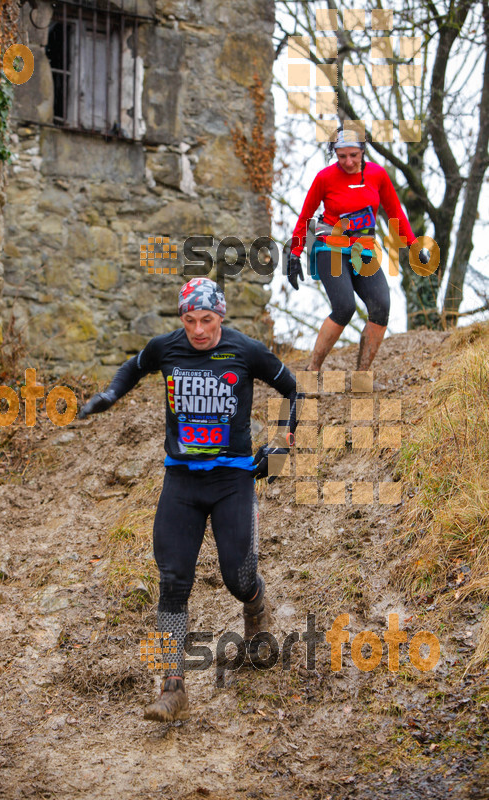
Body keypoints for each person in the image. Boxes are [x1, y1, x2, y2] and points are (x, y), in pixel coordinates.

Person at [79, 277, 301, 722]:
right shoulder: (167, 348)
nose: (198, 330)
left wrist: (281, 448)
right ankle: (172, 688)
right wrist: (109, 395)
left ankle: (256, 607)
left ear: (221, 315)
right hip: (181, 481)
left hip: (232, 480)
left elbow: (294, 389)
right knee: (173, 580)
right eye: (190, 320)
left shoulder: (246, 350)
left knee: (238, 577)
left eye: (207, 319)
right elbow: (133, 367)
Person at [287, 126, 430, 375]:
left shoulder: (377, 175)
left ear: (363, 151)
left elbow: (395, 212)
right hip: (328, 245)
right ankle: (313, 369)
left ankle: (361, 375)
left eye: (354, 155)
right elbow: (305, 216)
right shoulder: (325, 178)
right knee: (344, 307)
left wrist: (413, 245)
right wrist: (294, 254)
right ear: (335, 154)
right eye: (342, 156)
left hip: (362, 249)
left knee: (381, 306)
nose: (348, 161)